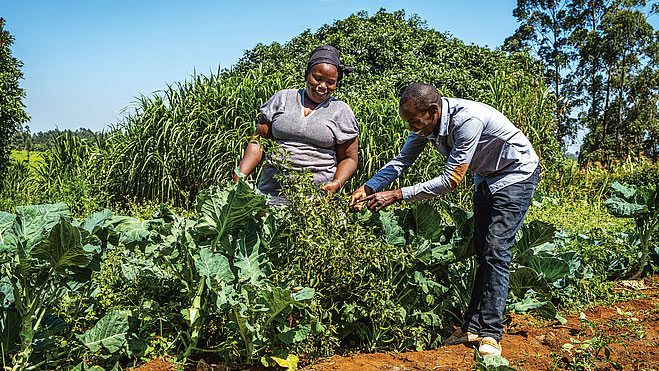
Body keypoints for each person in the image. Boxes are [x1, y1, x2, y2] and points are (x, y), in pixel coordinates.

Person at [349, 82, 540, 356]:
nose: (412, 128)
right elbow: (402, 161)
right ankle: (472, 326)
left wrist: (398, 195)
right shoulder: (425, 124)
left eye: (415, 122)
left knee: (496, 250)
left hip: (515, 174)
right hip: (487, 176)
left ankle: (491, 333)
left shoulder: (467, 121)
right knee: (482, 249)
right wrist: (369, 187)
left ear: (433, 111)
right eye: (409, 123)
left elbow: (451, 180)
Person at [234, 45, 359, 204]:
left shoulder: (341, 111)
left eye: (330, 82)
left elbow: (349, 158)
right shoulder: (283, 98)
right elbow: (258, 141)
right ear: (307, 74)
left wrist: (337, 183)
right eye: (317, 78)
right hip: (271, 195)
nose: (322, 86)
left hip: (316, 201)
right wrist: (241, 174)